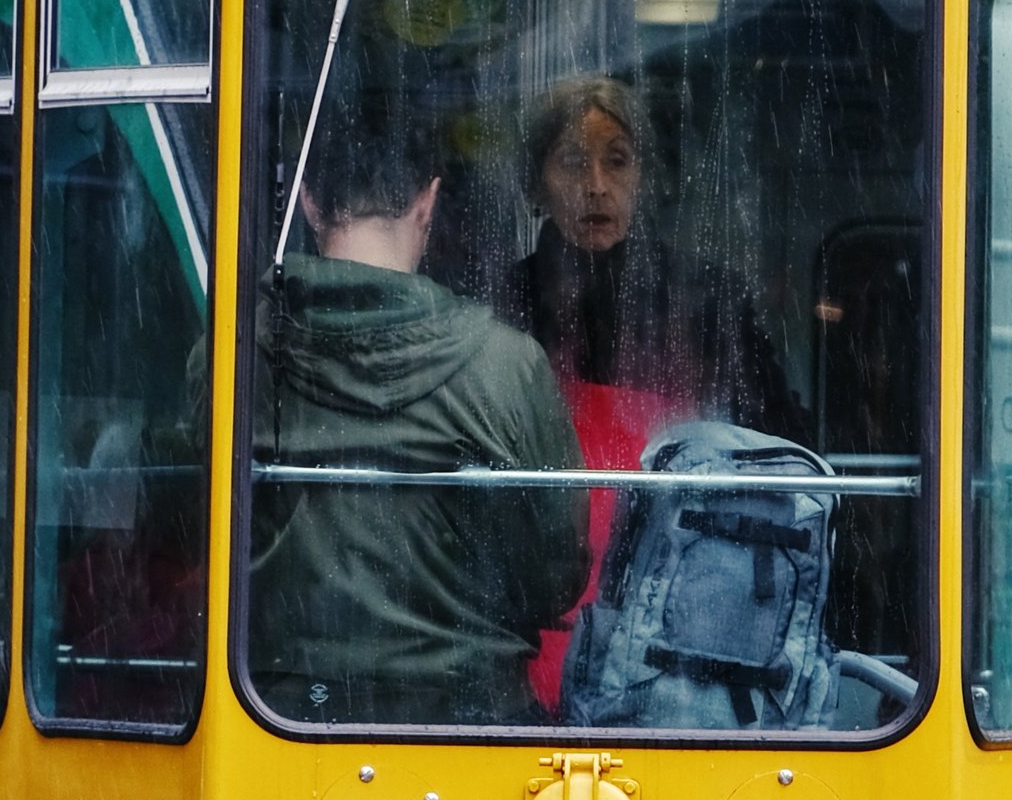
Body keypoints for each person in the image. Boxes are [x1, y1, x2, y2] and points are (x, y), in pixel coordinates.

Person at [250, 93, 589, 728]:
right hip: (471, 717)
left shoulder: (236, 357)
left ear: (310, 205)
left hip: (281, 714)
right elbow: (555, 576)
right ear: (427, 204)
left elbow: (190, 528)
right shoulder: (506, 364)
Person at [506, 74, 806, 442]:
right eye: (572, 161)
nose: (597, 186)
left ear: (644, 177)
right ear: (537, 183)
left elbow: (772, 438)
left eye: (617, 161)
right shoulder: (505, 302)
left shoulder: (713, 299)